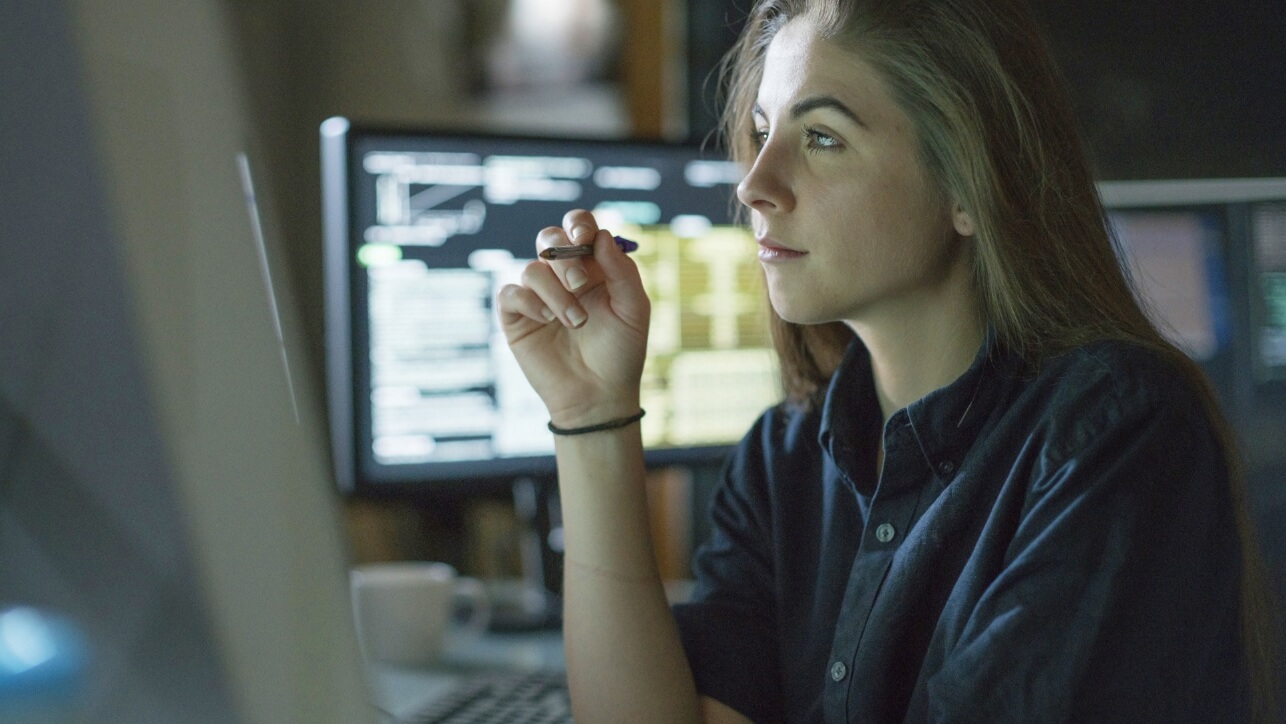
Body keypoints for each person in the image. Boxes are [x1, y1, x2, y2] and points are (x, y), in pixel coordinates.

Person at [495, 0, 1277, 721]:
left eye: (823, 138)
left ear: (969, 185)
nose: (756, 183)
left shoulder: (1116, 432)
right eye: (762, 132)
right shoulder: (785, 457)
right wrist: (592, 415)